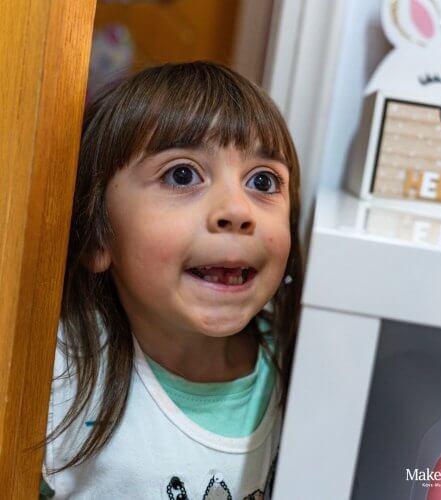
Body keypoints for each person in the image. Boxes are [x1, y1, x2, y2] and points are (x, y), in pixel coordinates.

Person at [40, 61, 303, 499]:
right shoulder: (58, 376)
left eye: (262, 181)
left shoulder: (302, 367)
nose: (237, 211)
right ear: (99, 236)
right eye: (182, 175)